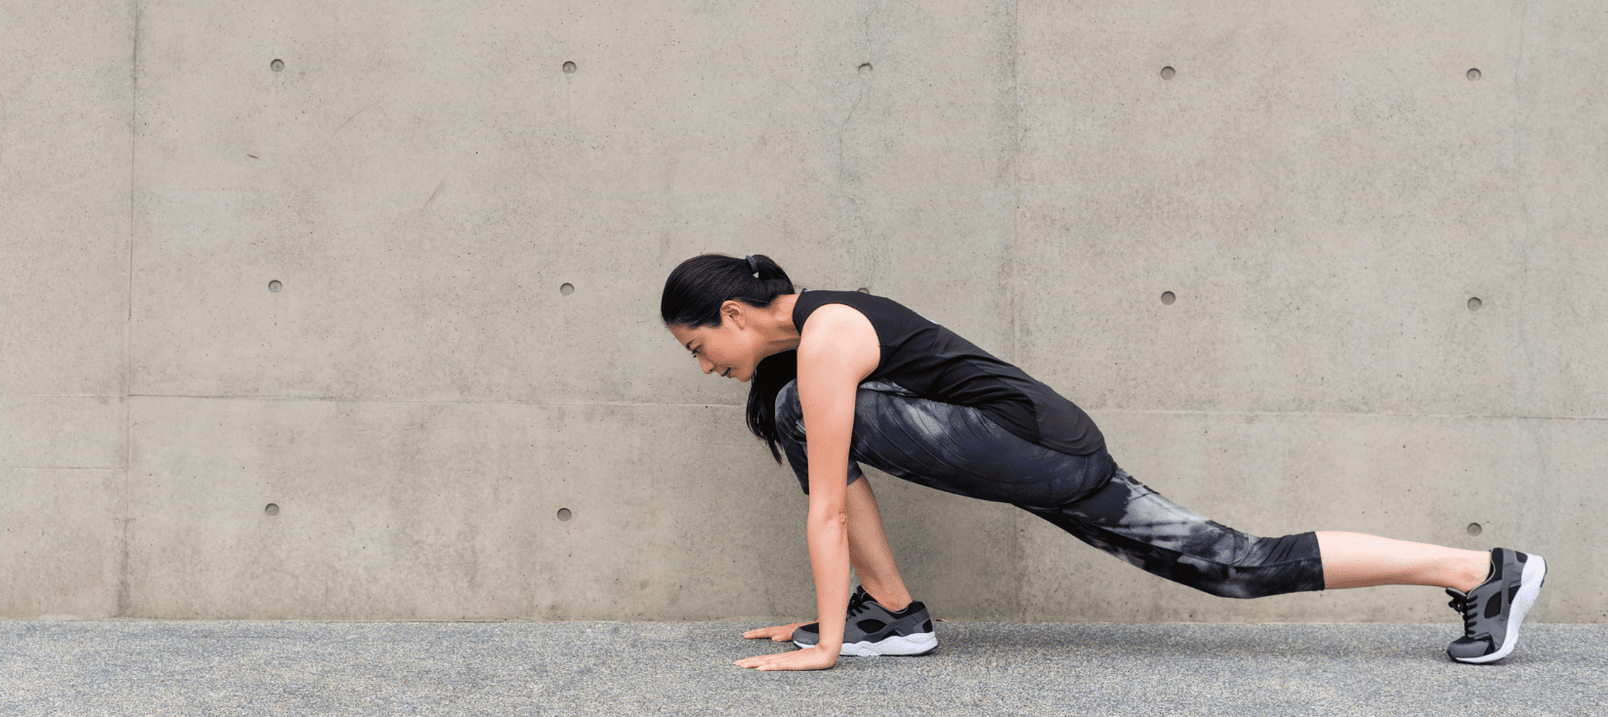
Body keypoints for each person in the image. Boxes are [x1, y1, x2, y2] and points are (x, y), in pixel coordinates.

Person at [660, 253, 1548, 672]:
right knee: (1234, 566)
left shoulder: (828, 333)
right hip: (1048, 449)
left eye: (700, 345)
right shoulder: (818, 338)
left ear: (737, 313)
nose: (705, 366)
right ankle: (1481, 571)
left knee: (798, 415)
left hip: (1035, 445)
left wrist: (822, 645)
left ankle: (887, 613)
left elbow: (826, 503)